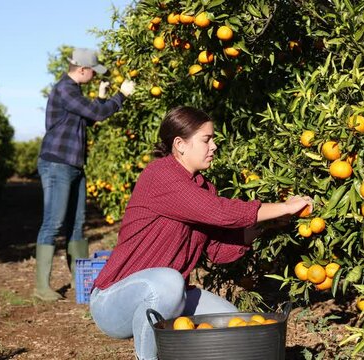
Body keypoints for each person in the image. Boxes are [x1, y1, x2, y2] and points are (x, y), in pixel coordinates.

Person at [89, 106, 312, 360]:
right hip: (114, 300)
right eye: (206, 139)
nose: (214, 146)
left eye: (213, 139)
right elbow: (220, 212)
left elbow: (219, 251)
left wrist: (267, 224)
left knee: (236, 326)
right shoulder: (160, 175)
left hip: (171, 295)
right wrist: (284, 206)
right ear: (180, 144)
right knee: (170, 283)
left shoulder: (204, 188)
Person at [34, 48, 136, 301]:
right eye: (93, 70)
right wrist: (121, 95)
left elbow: (88, 118)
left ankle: (79, 282)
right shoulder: (65, 89)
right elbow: (97, 114)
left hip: (74, 165)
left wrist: (100, 100)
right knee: (53, 223)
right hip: (57, 163)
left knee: (77, 224)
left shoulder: (74, 91)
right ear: (82, 69)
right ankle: (41, 287)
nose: (94, 74)